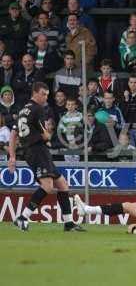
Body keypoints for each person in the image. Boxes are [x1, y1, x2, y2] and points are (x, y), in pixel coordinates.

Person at [8, 82, 84, 232]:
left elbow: (13, 134)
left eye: (47, 95)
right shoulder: (38, 109)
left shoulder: (23, 110)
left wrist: (12, 156)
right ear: (35, 93)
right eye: (43, 94)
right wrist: (48, 135)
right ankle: (22, 218)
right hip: (37, 150)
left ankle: (68, 223)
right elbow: (45, 134)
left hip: (31, 150)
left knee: (62, 184)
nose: (45, 97)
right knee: (48, 186)